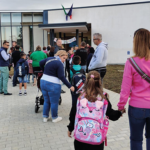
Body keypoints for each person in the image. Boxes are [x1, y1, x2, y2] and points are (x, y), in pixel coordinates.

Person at [67, 71, 124, 150]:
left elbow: (73, 114)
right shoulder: (103, 98)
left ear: (86, 81)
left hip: (80, 138)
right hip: (96, 138)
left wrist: (70, 128)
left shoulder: (80, 97)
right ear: (100, 82)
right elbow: (111, 115)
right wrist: (120, 112)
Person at [117, 28, 150, 150]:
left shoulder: (131, 62)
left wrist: (121, 106)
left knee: (136, 139)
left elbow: (125, 89)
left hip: (136, 107)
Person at [39, 50, 75, 123]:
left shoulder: (50, 58)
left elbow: (40, 62)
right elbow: (61, 76)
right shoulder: (59, 63)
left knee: (46, 100)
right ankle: (54, 117)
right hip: (53, 84)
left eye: (65, 58)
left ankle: (45, 117)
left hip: (43, 81)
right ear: (60, 56)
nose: (64, 60)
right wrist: (70, 86)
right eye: (63, 58)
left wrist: (44, 71)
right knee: (54, 102)